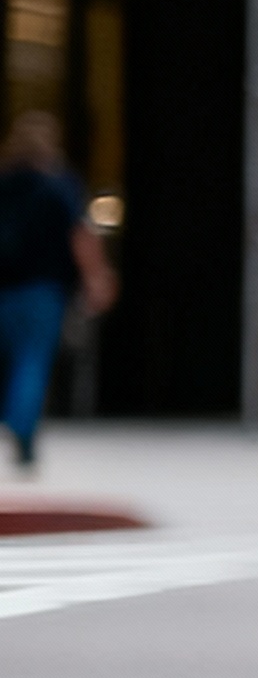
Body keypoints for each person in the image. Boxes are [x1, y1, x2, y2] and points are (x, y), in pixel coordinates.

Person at [0, 111, 115, 474]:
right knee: (32, 360)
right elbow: (81, 236)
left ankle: (18, 422)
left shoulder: (3, 182)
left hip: (4, 288)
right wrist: (98, 277)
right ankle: (22, 426)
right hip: (42, 290)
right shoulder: (59, 184)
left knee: (9, 361)